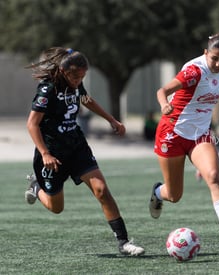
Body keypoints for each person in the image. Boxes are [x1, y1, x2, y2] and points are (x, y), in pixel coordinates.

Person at [24, 47, 145, 256]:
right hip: (52, 154)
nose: (78, 80)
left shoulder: (76, 85)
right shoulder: (48, 89)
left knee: (102, 190)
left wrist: (112, 120)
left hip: (77, 147)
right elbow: (32, 124)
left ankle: (123, 243)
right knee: (56, 207)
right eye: (75, 76)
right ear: (63, 71)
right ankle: (37, 188)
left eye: (82, 76)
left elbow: (86, 100)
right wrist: (45, 153)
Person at [149, 33, 219, 248]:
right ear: (206, 53)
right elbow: (162, 90)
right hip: (172, 133)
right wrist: (164, 104)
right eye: (215, 58)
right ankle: (158, 192)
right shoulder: (193, 72)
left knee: (213, 175)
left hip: (200, 134)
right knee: (174, 195)